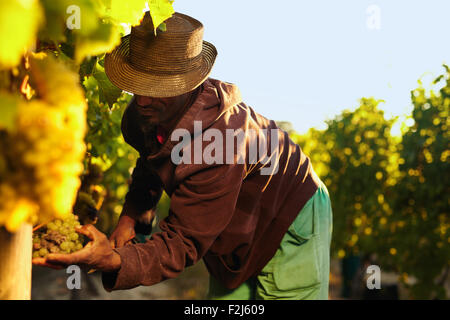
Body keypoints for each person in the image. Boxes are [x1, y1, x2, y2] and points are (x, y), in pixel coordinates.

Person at [33, 12, 333, 300]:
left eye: (158, 89)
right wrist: (131, 217)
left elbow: (183, 242)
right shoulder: (144, 116)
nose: (144, 99)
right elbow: (150, 165)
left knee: (284, 289)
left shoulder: (219, 143)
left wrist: (112, 260)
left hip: (292, 207)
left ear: (188, 86)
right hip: (234, 214)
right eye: (139, 85)